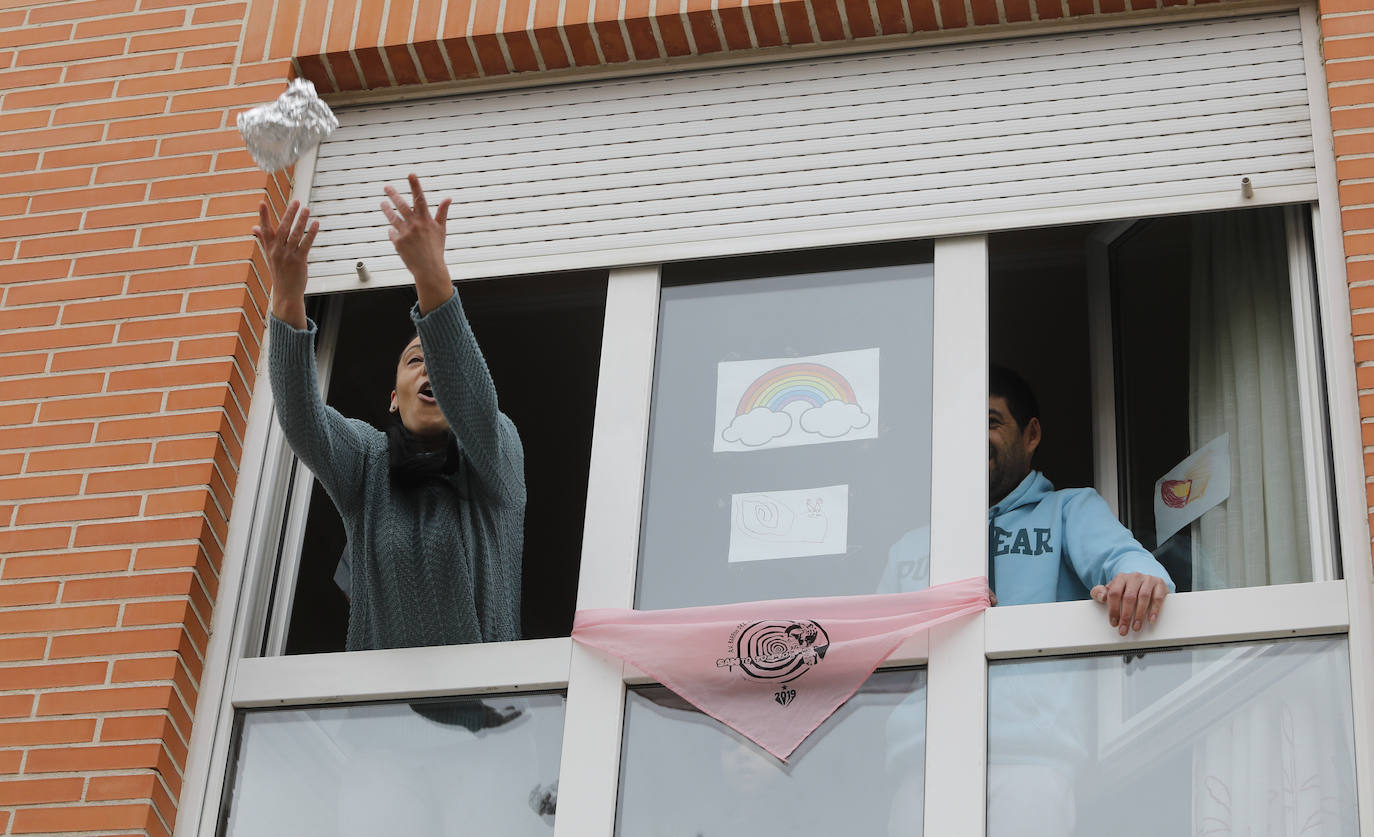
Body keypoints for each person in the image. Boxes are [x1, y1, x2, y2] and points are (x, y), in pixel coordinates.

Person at [254, 173, 526, 652]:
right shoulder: (367, 462)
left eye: (440, 361)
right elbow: (302, 419)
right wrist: (287, 299)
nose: (432, 372)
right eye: (417, 361)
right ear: (394, 398)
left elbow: (474, 401)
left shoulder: (495, 454)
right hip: (377, 719)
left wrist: (430, 275)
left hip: (487, 714)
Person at [987, 363, 1173, 633]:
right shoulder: (922, 540)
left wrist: (1140, 581)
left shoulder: (1069, 509)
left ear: (1031, 435)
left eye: (991, 422)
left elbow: (1124, 558)